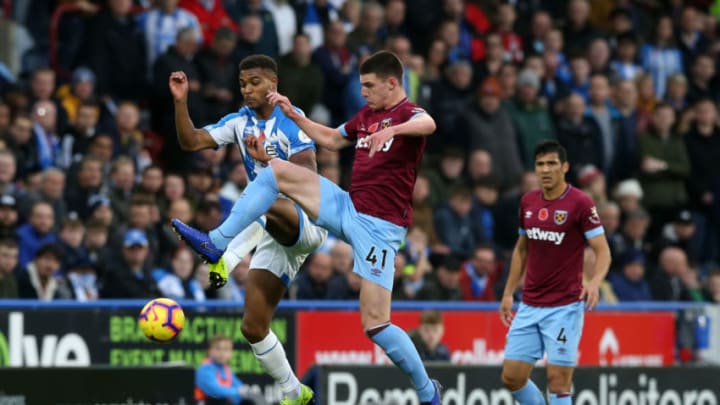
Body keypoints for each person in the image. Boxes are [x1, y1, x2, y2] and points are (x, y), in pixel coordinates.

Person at [172, 50, 442, 404]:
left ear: (392, 83)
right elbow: (330, 139)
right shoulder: (367, 115)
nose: (362, 93)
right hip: (347, 206)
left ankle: (427, 391)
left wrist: (396, 130)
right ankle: (216, 243)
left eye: (368, 86)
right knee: (276, 172)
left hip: (380, 228)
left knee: (376, 324)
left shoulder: (407, 114)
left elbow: (429, 124)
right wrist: (292, 112)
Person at [168, 54, 326, 404]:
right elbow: (191, 141)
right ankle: (294, 392)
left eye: (255, 82)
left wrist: (267, 162)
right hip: (272, 228)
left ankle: (219, 247)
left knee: (264, 191)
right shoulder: (240, 122)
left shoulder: (291, 120)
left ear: (274, 85)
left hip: (307, 218)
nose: (247, 90)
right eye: (242, 84)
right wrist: (181, 103)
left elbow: (309, 180)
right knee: (253, 327)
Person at [499, 140, 611, 405]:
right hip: (529, 304)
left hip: (564, 307)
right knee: (512, 378)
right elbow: (521, 250)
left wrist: (594, 282)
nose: (545, 170)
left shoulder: (580, 203)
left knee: (558, 382)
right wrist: (507, 293)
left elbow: (603, 250)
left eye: (551, 164)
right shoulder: (528, 202)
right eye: (540, 164)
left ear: (565, 167)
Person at [194, 334, 247, 405]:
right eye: (218, 348)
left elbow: (241, 388)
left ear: (231, 353)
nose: (222, 353)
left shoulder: (227, 370)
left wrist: (245, 391)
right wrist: (237, 392)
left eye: (226, 349)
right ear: (209, 351)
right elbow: (214, 391)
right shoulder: (205, 368)